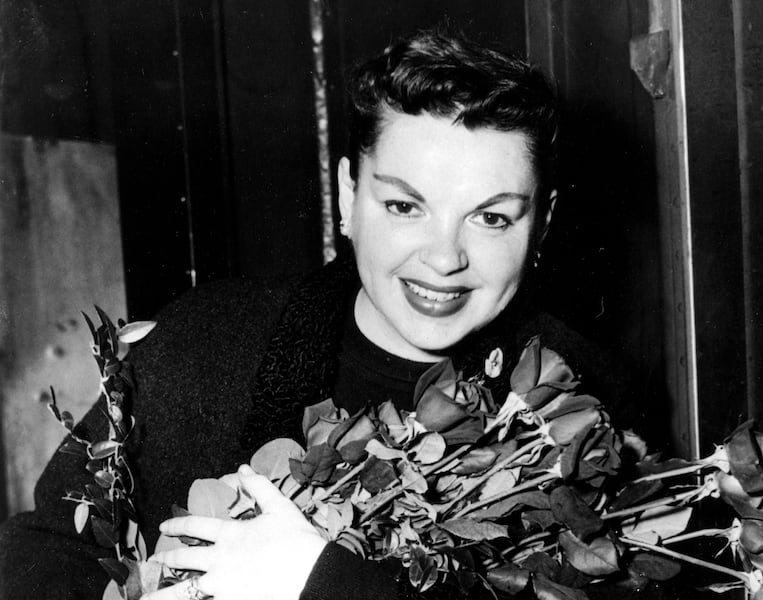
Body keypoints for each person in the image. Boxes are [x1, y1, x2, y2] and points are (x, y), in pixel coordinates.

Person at [0, 30, 646, 600]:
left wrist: (322, 582)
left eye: (492, 217)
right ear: (348, 195)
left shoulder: (590, 417)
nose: (445, 257)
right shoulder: (208, 339)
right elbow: (48, 546)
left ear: (543, 225)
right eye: (404, 207)